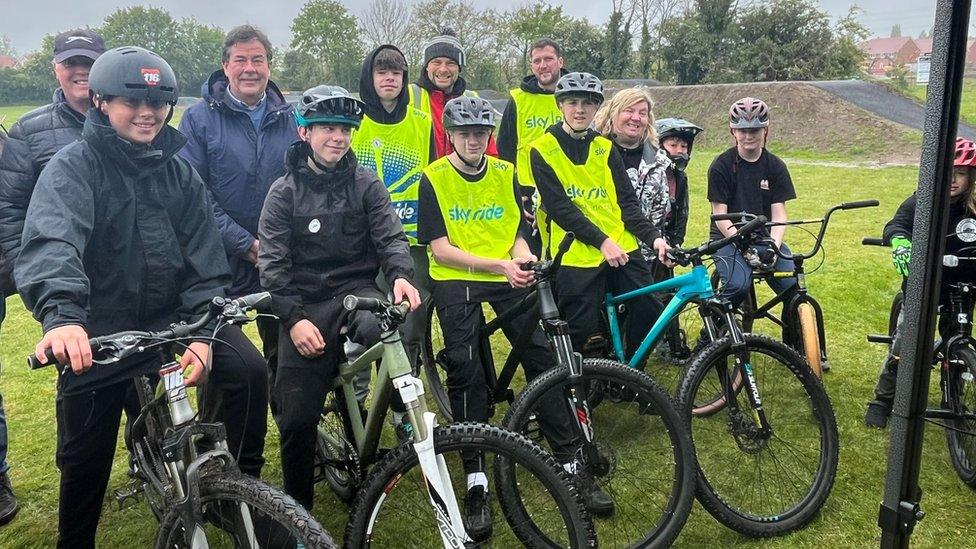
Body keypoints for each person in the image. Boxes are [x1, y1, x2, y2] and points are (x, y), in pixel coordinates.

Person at [14, 46, 268, 548]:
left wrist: (204, 331)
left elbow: (204, 261)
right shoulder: (74, 168)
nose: (148, 113)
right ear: (102, 103)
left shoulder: (180, 174)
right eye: (134, 102)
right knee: (86, 449)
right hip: (100, 327)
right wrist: (63, 318)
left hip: (174, 319)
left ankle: (232, 487)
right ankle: (76, 538)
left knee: (248, 370)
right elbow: (52, 240)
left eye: (159, 102)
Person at [418, 95, 590, 532]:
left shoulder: (506, 172)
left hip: (505, 272)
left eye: (480, 133)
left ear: (489, 136)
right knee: (465, 367)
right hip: (458, 276)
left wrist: (521, 258)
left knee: (539, 354)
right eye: (464, 133)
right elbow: (440, 249)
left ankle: (570, 457)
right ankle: (475, 475)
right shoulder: (433, 177)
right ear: (450, 136)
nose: (473, 140)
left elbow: (517, 231)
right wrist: (499, 265)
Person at [257, 85, 421, 511]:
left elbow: (390, 236)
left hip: (358, 293)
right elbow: (273, 267)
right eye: (327, 128)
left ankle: (400, 416)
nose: (338, 137)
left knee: (389, 337)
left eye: (346, 129)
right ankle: (299, 516)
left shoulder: (366, 183)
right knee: (296, 420)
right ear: (305, 132)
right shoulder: (283, 193)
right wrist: (292, 320)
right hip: (305, 304)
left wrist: (401, 276)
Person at [531, 72, 668, 495]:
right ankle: (578, 395)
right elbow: (559, 208)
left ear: (596, 110)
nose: (579, 109)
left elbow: (625, 204)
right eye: (572, 103)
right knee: (581, 332)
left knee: (652, 305)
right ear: (560, 106)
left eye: (587, 104)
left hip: (621, 247)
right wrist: (602, 240)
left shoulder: (605, 147)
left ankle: (628, 377)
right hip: (576, 252)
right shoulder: (543, 149)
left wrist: (653, 237)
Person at [0, 28, 108, 526]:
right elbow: (10, 213)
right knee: (82, 389)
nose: (80, 70)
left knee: (146, 379)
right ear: (56, 68)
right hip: (67, 291)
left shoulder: (128, 117)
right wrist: (29, 278)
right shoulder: (28, 132)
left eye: (90, 61)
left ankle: (151, 462)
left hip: (130, 281)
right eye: (71, 62)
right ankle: (80, 468)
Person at [179, 24, 296, 399]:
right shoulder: (198, 119)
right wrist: (244, 243)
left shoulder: (293, 119)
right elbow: (194, 194)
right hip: (218, 260)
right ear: (225, 66)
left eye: (257, 59)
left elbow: (301, 185)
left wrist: (273, 245)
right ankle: (217, 444)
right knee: (221, 356)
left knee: (286, 351)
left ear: (269, 66)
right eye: (241, 60)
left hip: (278, 258)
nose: (250, 68)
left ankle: (291, 424)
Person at [866, 137, 976, 428]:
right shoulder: (923, 200)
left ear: (972, 177)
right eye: (948, 170)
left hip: (963, 287)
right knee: (907, 343)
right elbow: (896, 224)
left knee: (959, 341)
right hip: (924, 285)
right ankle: (882, 399)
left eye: (962, 172)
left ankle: (953, 399)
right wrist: (901, 242)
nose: (953, 178)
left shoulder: (973, 208)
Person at [352, 44, 435, 376]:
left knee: (411, 324)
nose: (389, 79)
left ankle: (405, 402)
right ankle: (359, 403)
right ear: (369, 76)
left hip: (410, 243)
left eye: (396, 72)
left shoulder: (422, 123)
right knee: (363, 325)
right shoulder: (354, 122)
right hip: (363, 243)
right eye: (381, 72)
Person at [707, 97, 797, 310]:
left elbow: (779, 215)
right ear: (733, 131)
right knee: (738, 286)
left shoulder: (776, 166)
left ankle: (794, 342)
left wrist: (774, 247)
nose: (748, 136)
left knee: (793, 287)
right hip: (727, 239)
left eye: (755, 130)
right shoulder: (720, 166)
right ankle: (711, 338)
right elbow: (720, 216)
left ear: (765, 130)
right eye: (743, 130)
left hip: (764, 238)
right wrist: (742, 244)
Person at [496, 37, 565, 254]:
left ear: (560, 62)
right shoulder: (518, 99)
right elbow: (504, 151)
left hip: (568, 190)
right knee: (534, 261)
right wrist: (514, 196)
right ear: (531, 65)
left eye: (548, 59)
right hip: (528, 195)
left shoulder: (576, 97)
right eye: (537, 61)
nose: (542, 65)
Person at [408, 28, 497, 158]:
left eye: (451, 63)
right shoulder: (408, 95)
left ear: (459, 69)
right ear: (427, 66)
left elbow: (489, 151)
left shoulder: (473, 99)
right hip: (421, 177)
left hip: (462, 177)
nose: (443, 69)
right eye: (436, 62)